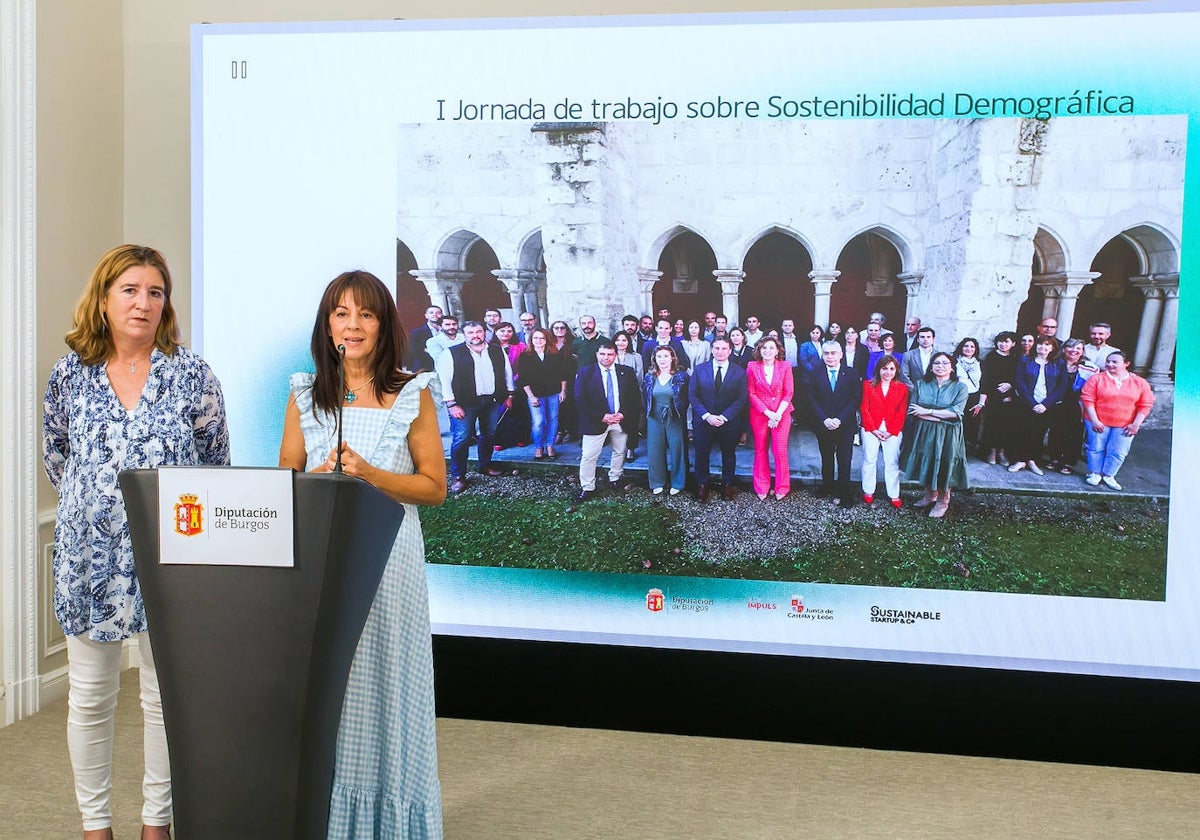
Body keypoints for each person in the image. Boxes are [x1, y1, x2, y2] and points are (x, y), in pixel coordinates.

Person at [43, 244, 230, 840]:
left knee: (163, 699)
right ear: (102, 298)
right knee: (91, 698)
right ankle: (95, 826)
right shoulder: (68, 374)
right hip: (88, 559)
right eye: (130, 290)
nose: (144, 303)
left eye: (156, 292)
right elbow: (59, 460)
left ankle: (157, 824)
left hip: (172, 559)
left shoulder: (191, 374)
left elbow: (214, 465)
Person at [279, 269, 445, 839]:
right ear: (327, 326)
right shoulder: (305, 393)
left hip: (390, 558)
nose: (353, 326)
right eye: (341, 314)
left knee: (388, 682)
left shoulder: (412, 393)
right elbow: (287, 482)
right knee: (336, 685)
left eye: (366, 315)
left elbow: (434, 487)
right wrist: (321, 475)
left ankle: (390, 820)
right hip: (326, 561)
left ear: (383, 327)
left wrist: (372, 475)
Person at [435, 320, 513, 494]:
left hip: (491, 401)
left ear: (484, 332)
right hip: (464, 404)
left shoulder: (496, 350)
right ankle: (459, 476)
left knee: (488, 434)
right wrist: (452, 404)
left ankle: (484, 465)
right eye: (470, 333)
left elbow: (507, 373)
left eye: (478, 331)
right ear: (464, 335)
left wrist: (509, 394)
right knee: (461, 439)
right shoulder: (452, 353)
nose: (475, 335)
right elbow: (445, 381)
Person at [900, 352, 969, 518]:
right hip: (924, 431)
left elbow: (956, 413)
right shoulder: (921, 384)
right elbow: (914, 409)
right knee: (928, 461)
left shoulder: (960, 387)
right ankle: (930, 495)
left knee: (944, 462)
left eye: (945, 363)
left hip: (948, 434)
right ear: (931, 367)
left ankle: (943, 501)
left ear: (952, 367)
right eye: (937, 363)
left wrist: (928, 412)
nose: (941, 366)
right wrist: (938, 414)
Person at [575, 341, 641, 501]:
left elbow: (634, 398)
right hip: (596, 421)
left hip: (620, 420)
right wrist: (601, 416)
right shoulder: (586, 372)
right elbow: (579, 399)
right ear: (597, 355)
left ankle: (615, 478)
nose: (606, 357)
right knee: (589, 455)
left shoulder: (627, 371)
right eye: (602, 354)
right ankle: (588, 487)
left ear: (615, 355)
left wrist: (623, 414)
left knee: (619, 451)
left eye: (610, 354)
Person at [1080, 351, 1155, 490]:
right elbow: (1088, 399)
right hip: (1098, 421)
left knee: (1119, 451)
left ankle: (1109, 475)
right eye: (1108, 361)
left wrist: (1135, 424)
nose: (1110, 364)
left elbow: (1146, 404)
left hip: (1125, 424)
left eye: (1115, 362)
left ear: (1126, 364)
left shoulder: (1139, 382)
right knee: (1095, 448)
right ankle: (1094, 473)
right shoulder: (1097, 379)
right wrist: (1095, 420)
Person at [690, 337, 748, 500]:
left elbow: (741, 398)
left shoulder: (739, 371)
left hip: (728, 422)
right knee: (701, 454)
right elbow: (693, 395)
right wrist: (707, 416)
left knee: (728, 454)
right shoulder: (700, 369)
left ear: (730, 351)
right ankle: (702, 484)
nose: (720, 352)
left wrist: (724, 417)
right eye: (716, 348)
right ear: (711, 350)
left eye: (724, 349)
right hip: (704, 421)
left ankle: (728, 484)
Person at [807, 341, 861, 506]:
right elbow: (811, 398)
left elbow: (855, 399)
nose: (830, 357)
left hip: (844, 424)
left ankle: (844, 492)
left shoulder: (851, 373)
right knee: (826, 457)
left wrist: (839, 419)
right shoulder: (815, 373)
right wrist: (825, 419)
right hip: (823, 423)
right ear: (822, 355)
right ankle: (827, 486)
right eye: (826, 353)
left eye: (833, 353)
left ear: (841, 354)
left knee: (844, 459)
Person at [1009, 335, 1067, 475]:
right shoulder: (1024, 360)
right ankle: (1021, 460)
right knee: (1024, 431)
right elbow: (1020, 382)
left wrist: (1045, 404)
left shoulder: (1058, 363)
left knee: (1038, 433)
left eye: (1047, 345)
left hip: (1047, 405)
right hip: (1027, 403)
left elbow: (1062, 386)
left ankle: (1032, 461)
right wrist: (1032, 403)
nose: (1043, 347)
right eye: (1040, 344)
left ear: (1052, 348)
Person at [746, 337, 794, 500]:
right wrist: (768, 413)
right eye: (764, 347)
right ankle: (762, 485)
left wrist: (778, 414)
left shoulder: (785, 366)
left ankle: (782, 486)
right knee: (760, 450)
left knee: (780, 450)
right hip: (760, 414)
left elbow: (789, 392)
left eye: (771, 347)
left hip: (781, 413)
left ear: (777, 350)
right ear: (759, 350)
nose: (767, 351)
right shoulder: (752, 366)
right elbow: (751, 393)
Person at [859, 354, 908, 508]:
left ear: (896, 370)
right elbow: (864, 408)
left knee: (892, 462)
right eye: (884, 368)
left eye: (891, 369)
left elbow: (902, 411)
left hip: (892, 430)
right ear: (879, 369)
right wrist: (873, 429)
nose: (888, 372)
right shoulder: (868, 385)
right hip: (871, 428)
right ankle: (868, 491)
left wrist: (891, 431)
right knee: (869, 460)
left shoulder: (902, 388)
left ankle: (893, 494)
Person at [643, 346, 690, 495]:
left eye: (665, 356)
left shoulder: (681, 377)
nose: (662, 360)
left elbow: (687, 398)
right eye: (659, 357)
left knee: (678, 449)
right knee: (655, 449)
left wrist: (679, 411)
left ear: (672, 358)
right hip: (654, 416)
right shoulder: (649, 377)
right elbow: (646, 397)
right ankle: (657, 481)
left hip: (674, 416)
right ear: (654, 359)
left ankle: (678, 481)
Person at [518, 328, 568, 461]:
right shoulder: (525, 356)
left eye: (542, 338)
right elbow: (523, 378)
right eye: (536, 338)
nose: (539, 341)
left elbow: (563, 374)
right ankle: (539, 447)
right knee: (538, 422)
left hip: (553, 393)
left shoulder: (555, 355)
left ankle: (550, 446)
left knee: (553, 419)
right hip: (535, 395)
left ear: (547, 340)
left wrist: (563, 390)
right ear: (531, 340)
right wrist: (531, 396)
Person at [1045, 338, 1092, 475]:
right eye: (1070, 347)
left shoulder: (1089, 367)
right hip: (1058, 402)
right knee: (1056, 431)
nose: (1074, 351)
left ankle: (1068, 461)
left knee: (1074, 433)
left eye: (1078, 348)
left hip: (1077, 404)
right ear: (1064, 349)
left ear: (1082, 351)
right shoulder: (1056, 363)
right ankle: (1054, 458)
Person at [980, 331, 1019, 466]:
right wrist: (996, 395)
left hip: (1010, 398)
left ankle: (1001, 451)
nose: (1003, 344)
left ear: (1013, 344)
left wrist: (1010, 387)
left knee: (1006, 426)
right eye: (1001, 341)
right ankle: (991, 451)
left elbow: (1017, 377)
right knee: (992, 425)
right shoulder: (991, 357)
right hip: (993, 396)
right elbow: (987, 378)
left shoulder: (1015, 358)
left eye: (1007, 341)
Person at [492, 322, 528, 450]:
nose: (506, 333)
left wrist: (518, 376)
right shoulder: (490, 347)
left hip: (518, 383)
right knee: (500, 413)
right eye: (502, 331)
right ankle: (500, 440)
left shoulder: (520, 346)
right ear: (495, 332)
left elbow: (526, 364)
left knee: (520, 412)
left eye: (509, 331)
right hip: (498, 385)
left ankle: (521, 438)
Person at [953, 337, 983, 451]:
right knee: (956, 422)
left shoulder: (980, 363)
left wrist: (981, 403)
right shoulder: (954, 361)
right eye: (966, 346)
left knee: (971, 424)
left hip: (974, 397)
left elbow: (984, 383)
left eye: (972, 346)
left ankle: (966, 450)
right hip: (957, 396)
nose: (969, 349)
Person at [407, 304, 443, 371]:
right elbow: (416, 350)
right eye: (431, 313)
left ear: (442, 315)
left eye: (438, 313)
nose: (435, 314)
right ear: (426, 316)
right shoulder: (417, 332)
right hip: (425, 366)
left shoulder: (445, 331)